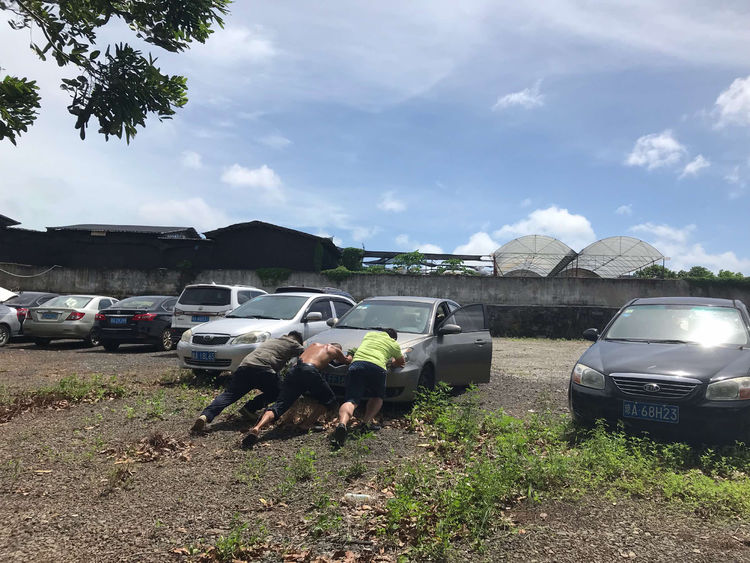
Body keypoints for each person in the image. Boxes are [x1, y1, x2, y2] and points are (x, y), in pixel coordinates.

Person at [240, 342, 352, 449]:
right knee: (329, 400)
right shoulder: (335, 350)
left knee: (280, 404)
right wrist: (350, 355)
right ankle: (307, 424)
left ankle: (257, 427)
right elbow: (346, 361)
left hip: (294, 370)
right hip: (309, 371)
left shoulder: (314, 345)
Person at [190, 331, 304, 434]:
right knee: (280, 392)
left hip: (244, 367)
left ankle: (205, 416)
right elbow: (307, 352)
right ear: (297, 340)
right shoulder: (293, 343)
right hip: (264, 369)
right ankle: (250, 408)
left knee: (229, 395)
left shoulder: (272, 340)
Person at [330, 328, 404, 448]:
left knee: (352, 400)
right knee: (377, 396)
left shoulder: (370, 335)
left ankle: (342, 424)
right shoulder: (393, 343)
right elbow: (401, 361)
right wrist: (392, 363)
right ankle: (365, 423)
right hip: (378, 367)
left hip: (357, 364)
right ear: (394, 338)